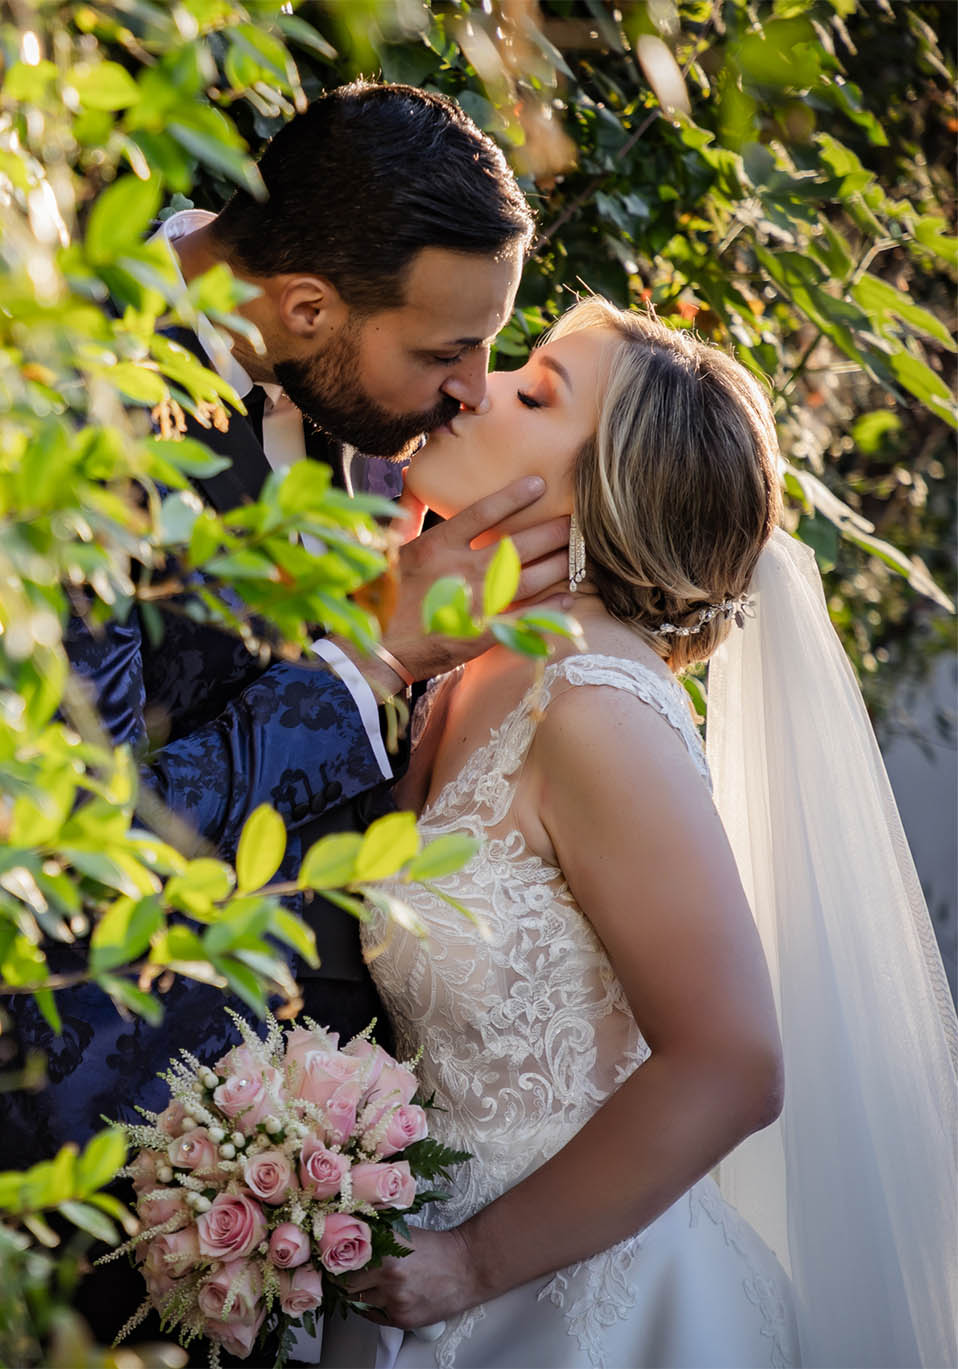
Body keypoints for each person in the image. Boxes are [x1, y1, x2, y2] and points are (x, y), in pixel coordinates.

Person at [0, 80, 549, 1352]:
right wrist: (369, 660)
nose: (470, 391)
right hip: (57, 1184)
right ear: (303, 307)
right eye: (442, 352)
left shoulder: (356, 400)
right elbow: (88, 841)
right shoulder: (68, 404)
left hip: (282, 1207)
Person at [316, 299, 958, 1367]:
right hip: (411, 1280)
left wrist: (469, 1262)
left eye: (532, 391)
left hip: (589, 1310)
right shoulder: (466, 652)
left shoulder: (592, 706)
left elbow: (732, 1061)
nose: (475, 387)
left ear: (599, 488)